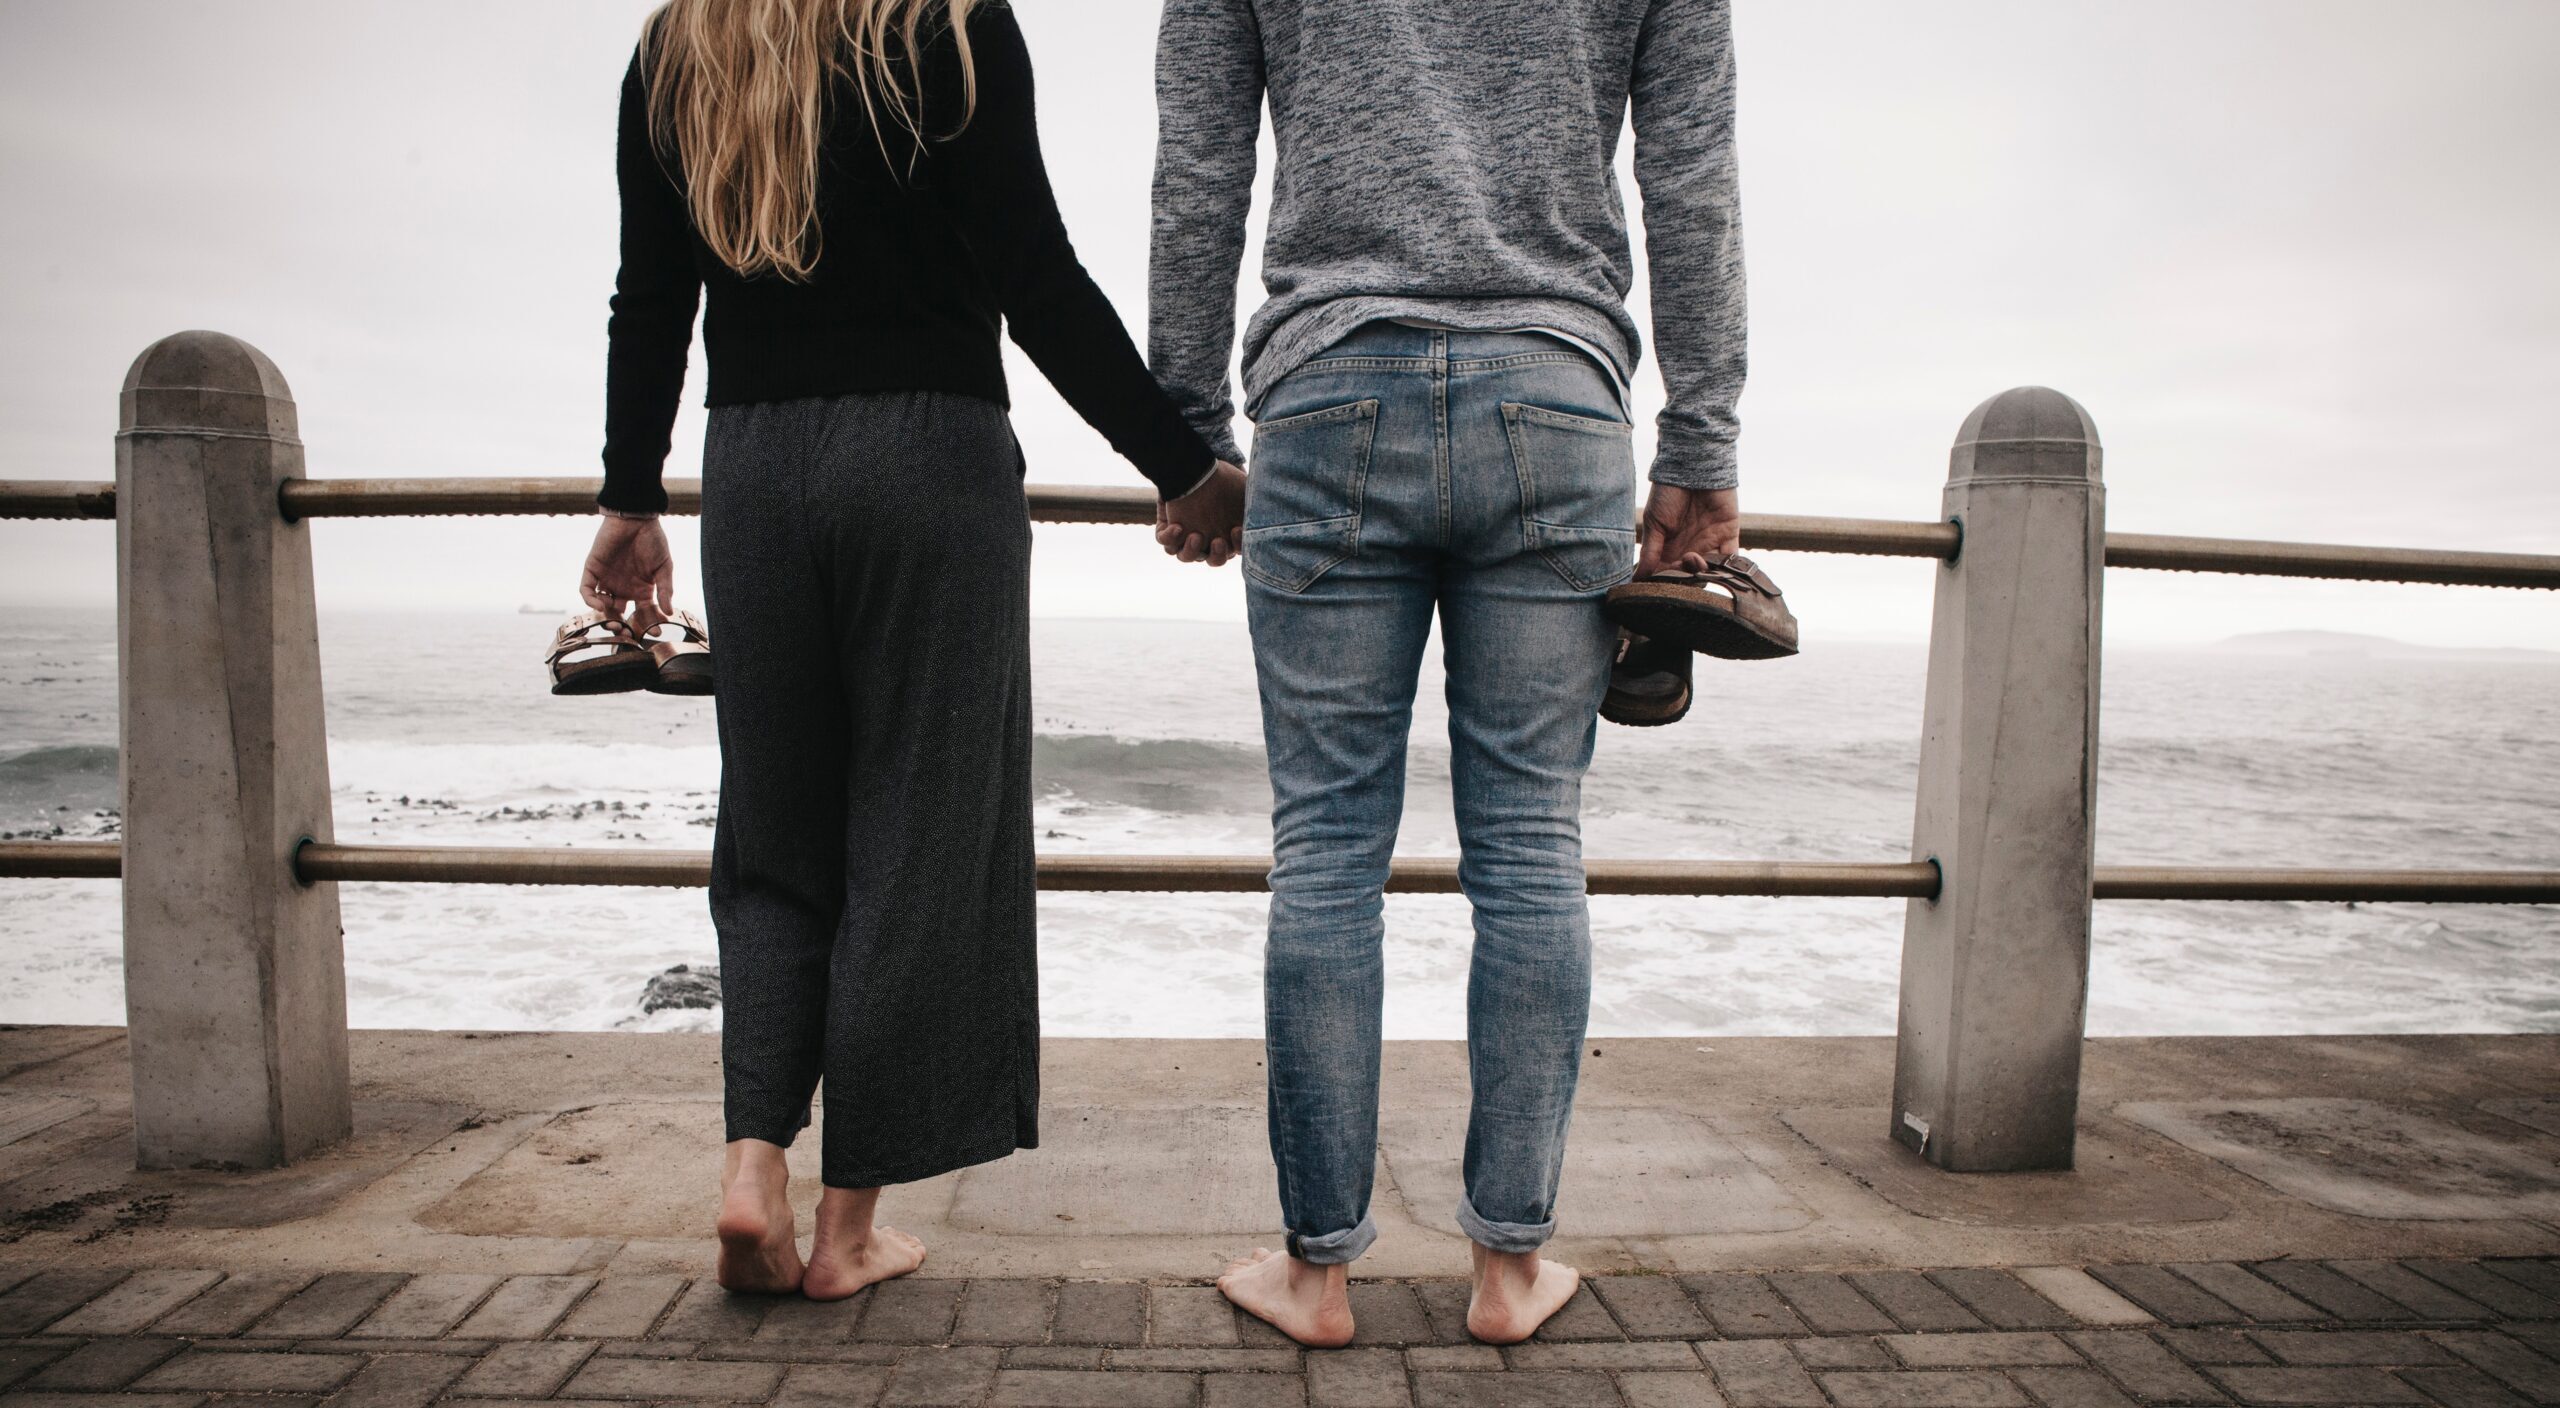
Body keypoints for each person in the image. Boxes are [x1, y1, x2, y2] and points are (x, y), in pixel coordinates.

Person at [578, 0, 1245, 1298]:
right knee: (919, 841)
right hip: (931, 460)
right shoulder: (943, 23)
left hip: (755, 469)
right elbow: (1031, 268)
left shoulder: (684, 43)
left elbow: (649, 299)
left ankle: (750, 1169)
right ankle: (846, 1232)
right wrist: (1182, 468)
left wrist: (629, 501)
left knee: (772, 844)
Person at [1149, 0, 1748, 1345]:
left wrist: (1187, 436)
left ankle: (1316, 1274)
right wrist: (1701, 444)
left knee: (1326, 849)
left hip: (1324, 390)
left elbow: (1201, 167)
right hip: (1557, 391)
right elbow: (1691, 176)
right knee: (1532, 845)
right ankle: (1506, 1270)